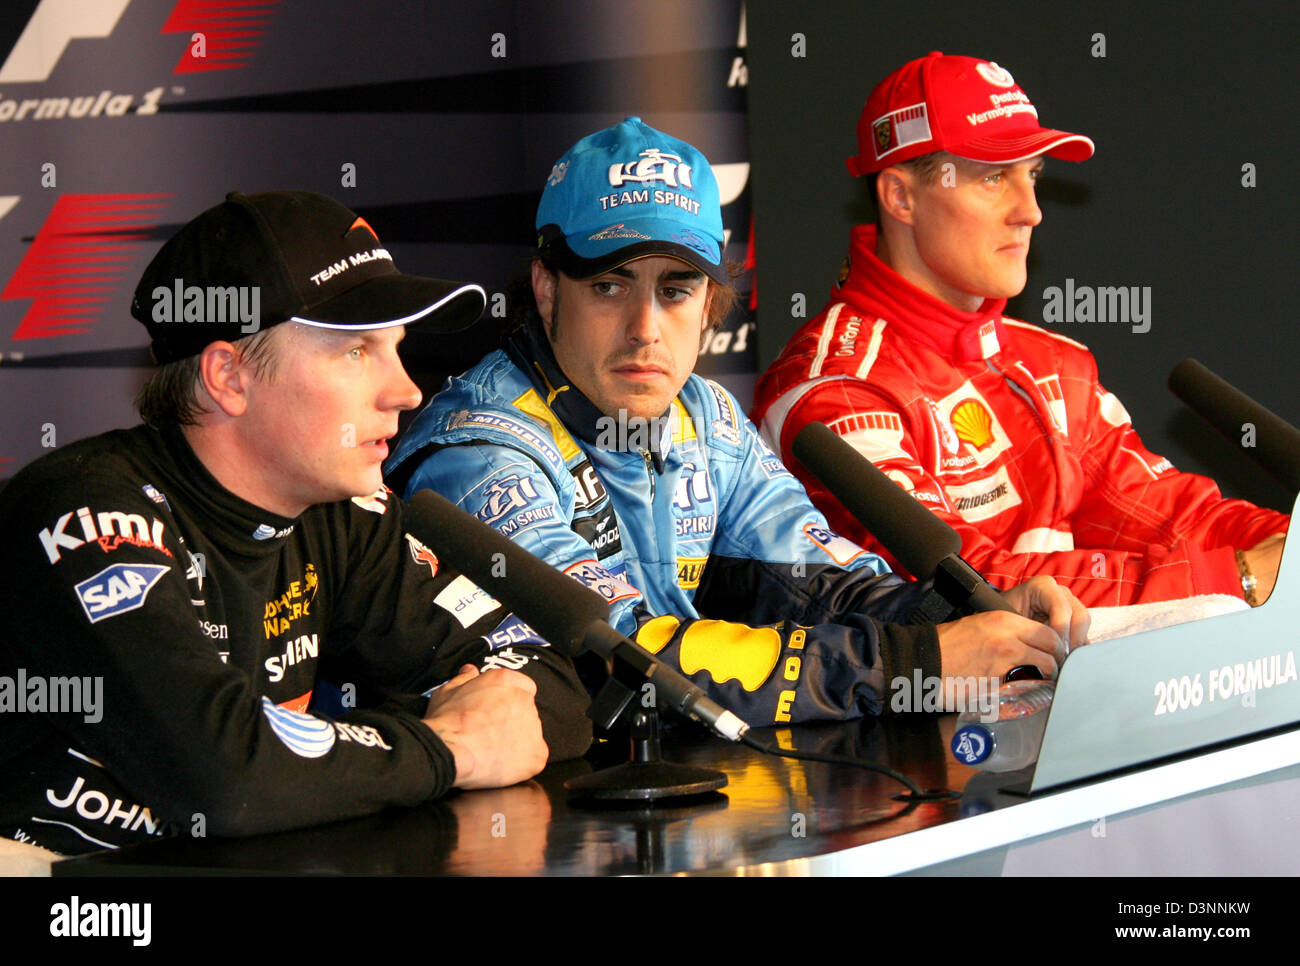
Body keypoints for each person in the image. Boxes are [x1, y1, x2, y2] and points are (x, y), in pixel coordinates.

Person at [386, 117, 1087, 730]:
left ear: (711, 300)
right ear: (546, 290)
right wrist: (920, 663)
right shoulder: (480, 453)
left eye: (676, 289)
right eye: (608, 286)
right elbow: (622, 661)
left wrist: (957, 620)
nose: (644, 329)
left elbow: (818, 583)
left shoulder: (706, 417)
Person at [0, 191, 590, 859]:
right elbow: (225, 780)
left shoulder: (341, 515)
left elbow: (557, 688)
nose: (406, 391)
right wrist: (450, 745)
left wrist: (438, 732)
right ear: (229, 375)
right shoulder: (82, 516)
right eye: (357, 352)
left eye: (397, 348)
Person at [751, 52, 1289, 609]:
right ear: (900, 196)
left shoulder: (1053, 361)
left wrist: (1287, 550)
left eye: (1031, 175)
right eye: (993, 178)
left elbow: (1171, 515)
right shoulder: (834, 391)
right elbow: (968, 587)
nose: (1030, 211)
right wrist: (1238, 579)